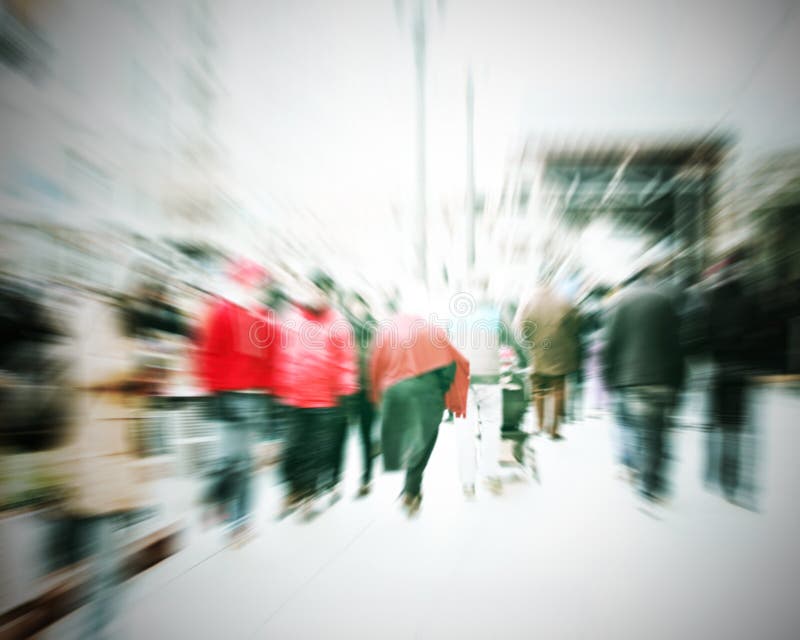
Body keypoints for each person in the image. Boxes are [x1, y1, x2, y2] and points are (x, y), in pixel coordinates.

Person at [195, 258, 273, 543]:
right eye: (254, 282)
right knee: (231, 461)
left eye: (261, 284)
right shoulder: (221, 312)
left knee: (245, 462)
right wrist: (215, 391)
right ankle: (218, 501)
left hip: (254, 399)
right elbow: (206, 355)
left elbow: (270, 361)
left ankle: (239, 521)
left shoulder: (263, 318)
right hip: (229, 396)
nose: (259, 288)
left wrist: (270, 394)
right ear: (240, 281)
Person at [370, 312, 469, 516]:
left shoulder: (388, 334)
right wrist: (439, 389)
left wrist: (378, 395)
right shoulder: (433, 334)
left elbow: (375, 366)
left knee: (401, 431)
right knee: (425, 439)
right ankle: (412, 490)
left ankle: (389, 448)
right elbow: (450, 366)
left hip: (395, 392)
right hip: (427, 394)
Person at [276, 271, 358, 518]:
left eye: (323, 292)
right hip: (294, 397)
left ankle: (308, 495)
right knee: (292, 448)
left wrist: (346, 390)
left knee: (315, 449)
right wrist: (278, 385)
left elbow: (346, 361)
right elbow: (279, 354)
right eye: (314, 290)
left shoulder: (338, 323)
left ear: (329, 295)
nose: (318, 296)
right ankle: (293, 488)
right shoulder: (290, 319)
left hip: (324, 399)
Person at [603, 267, 685, 503]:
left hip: (631, 379)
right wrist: (679, 381)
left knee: (636, 428)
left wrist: (609, 378)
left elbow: (610, 344)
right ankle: (653, 481)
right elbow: (676, 343)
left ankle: (642, 477)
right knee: (657, 431)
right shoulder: (665, 300)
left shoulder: (618, 302)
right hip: (662, 378)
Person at [706, 251, 757, 505]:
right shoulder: (749, 301)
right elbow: (758, 335)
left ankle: (715, 473)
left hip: (719, 371)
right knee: (736, 429)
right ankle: (733, 483)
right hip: (741, 371)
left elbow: (705, 335)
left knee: (719, 425)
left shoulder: (713, 302)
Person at [451, 281, 504, 497]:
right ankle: (490, 476)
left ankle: (467, 483)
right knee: (491, 426)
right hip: (490, 377)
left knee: (464, 431)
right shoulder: (495, 313)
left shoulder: (454, 317)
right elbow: (516, 341)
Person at [514, 282, 580, 440]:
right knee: (558, 391)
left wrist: (530, 343)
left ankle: (539, 425)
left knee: (538, 391)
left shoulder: (528, 302)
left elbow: (520, 326)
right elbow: (576, 323)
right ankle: (554, 430)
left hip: (537, 353)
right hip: (560, 354)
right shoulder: (563, 300)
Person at [342, 291, 378, 497]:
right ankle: (336, 478)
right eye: (353, 305)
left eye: (359, 304)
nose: (356, 309)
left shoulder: (375, 328)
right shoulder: (345, 327)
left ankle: (366, 478)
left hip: (368, 390)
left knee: (365, 436)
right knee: (343, 434)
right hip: (348, 389)